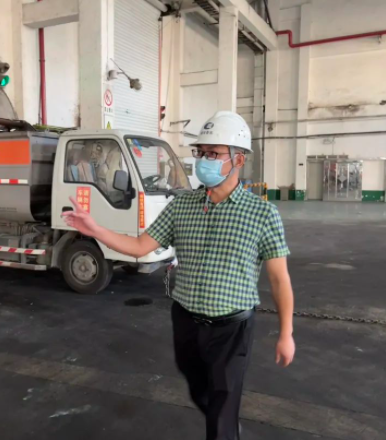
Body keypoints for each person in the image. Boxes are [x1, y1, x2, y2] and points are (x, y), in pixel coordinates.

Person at [62, 111, 295, 440]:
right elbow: (140, 246)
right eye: (201, 152)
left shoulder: (262, 214)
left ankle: (225, 428)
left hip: (231, 328)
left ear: (239, 159)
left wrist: (286, 333)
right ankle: (224, 423)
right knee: (199, 389)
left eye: (213, 153)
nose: (203, 160)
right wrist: (95, 229)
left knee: (223, 404)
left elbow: (279, 279)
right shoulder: (181, 207)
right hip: (186, 321)